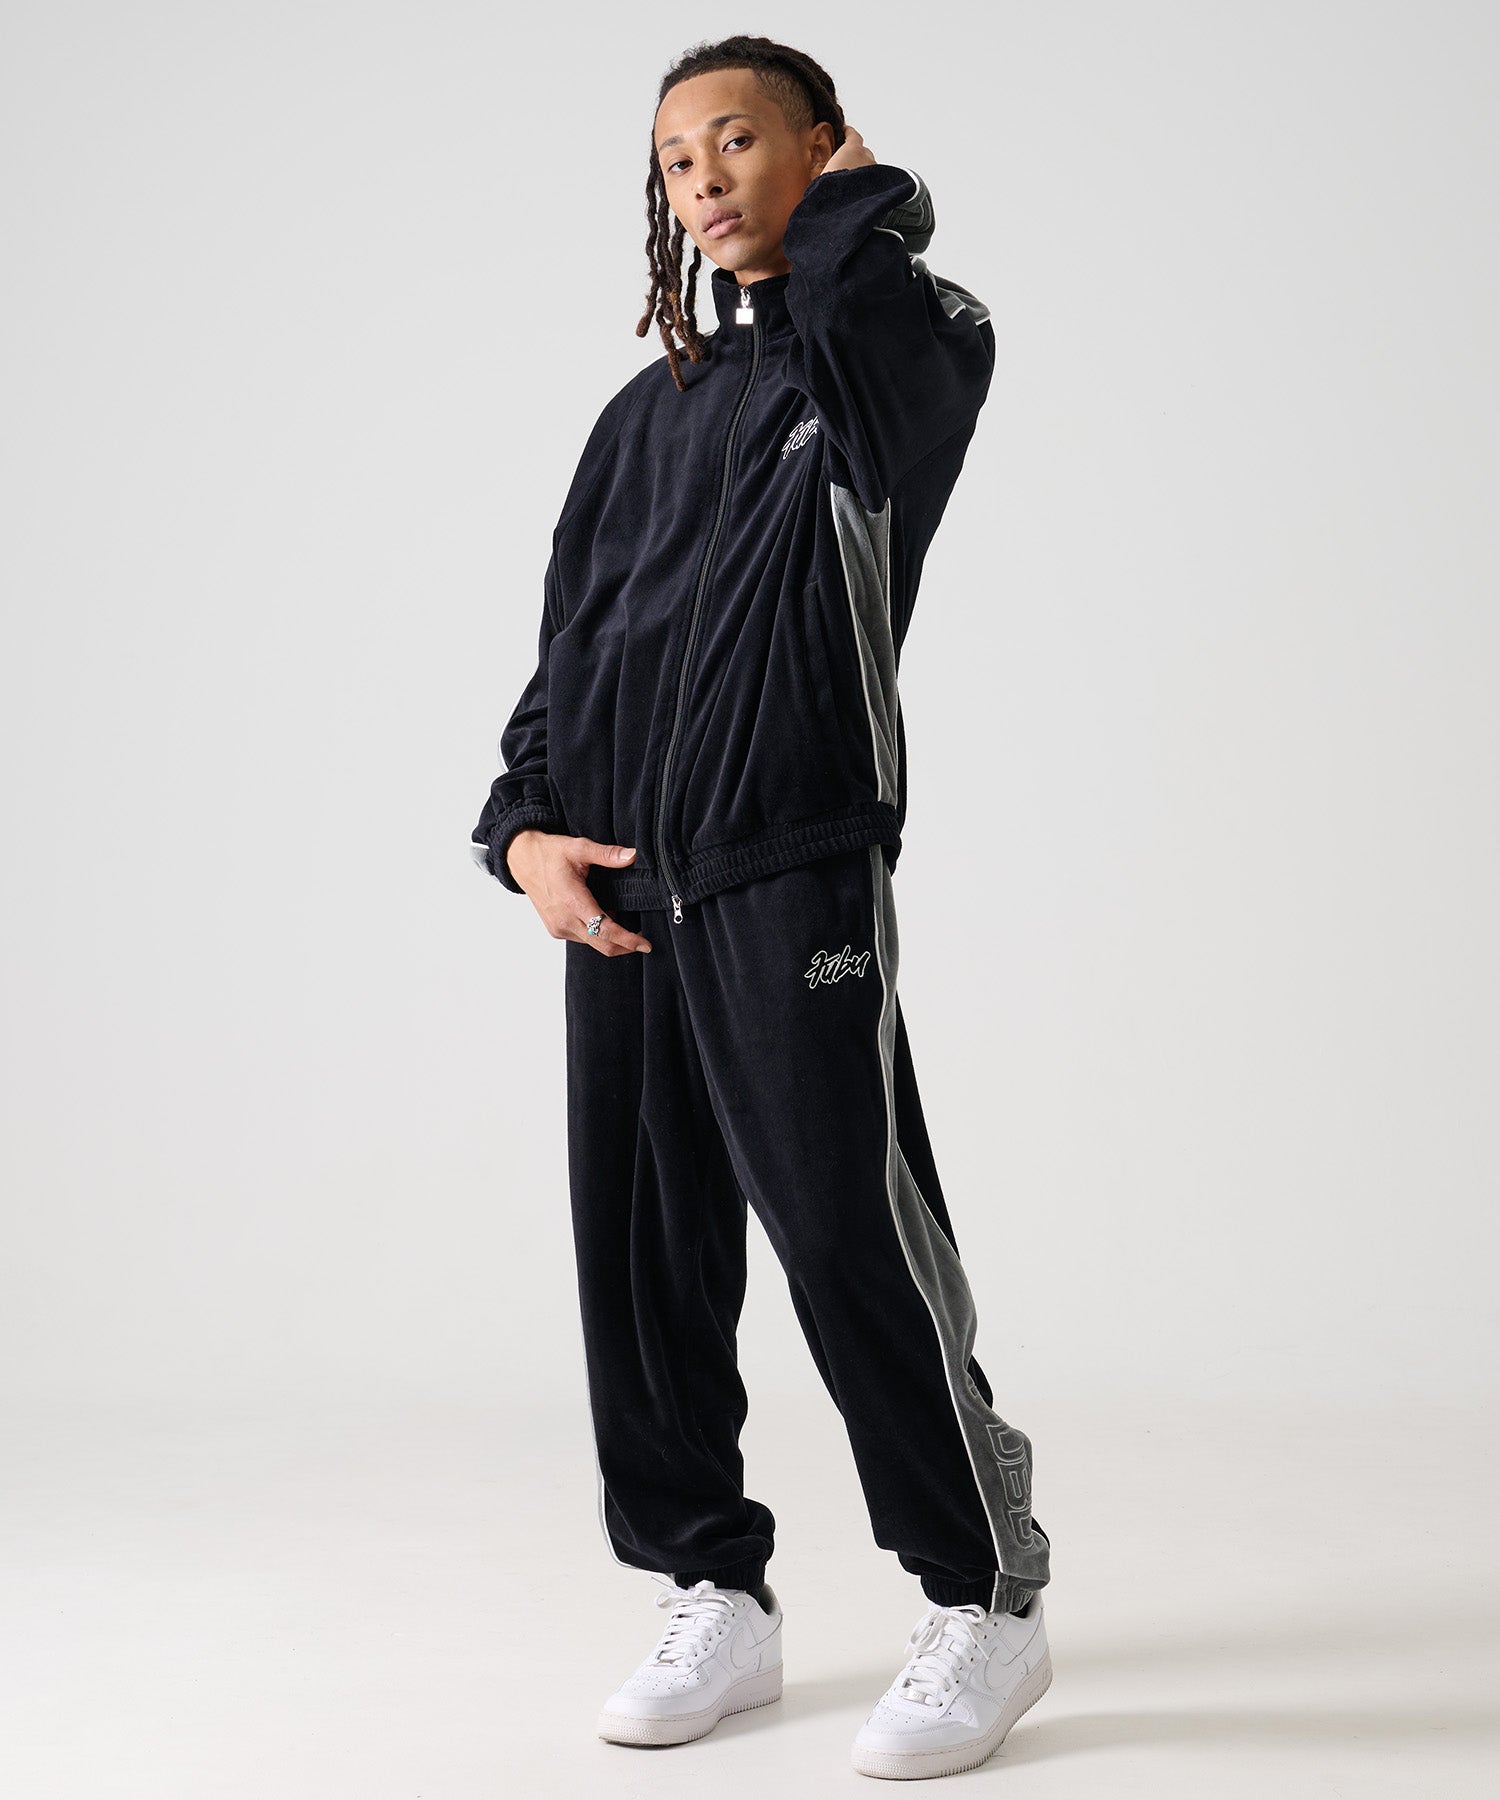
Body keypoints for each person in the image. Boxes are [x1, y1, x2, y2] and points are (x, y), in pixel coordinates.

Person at [470, 34, 1053, 1781]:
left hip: (788, 859)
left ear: (823, 151)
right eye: (676, 159)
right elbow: (573, 650)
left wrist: (863, 219)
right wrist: (525, 834)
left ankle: (986, 1597)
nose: (705, 178)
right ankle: (711, 1586)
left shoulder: (896, 351)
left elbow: (892, 354)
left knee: (847, 1229)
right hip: (621, 886)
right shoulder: (640, 417)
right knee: (644, 1257)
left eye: (739, 140)